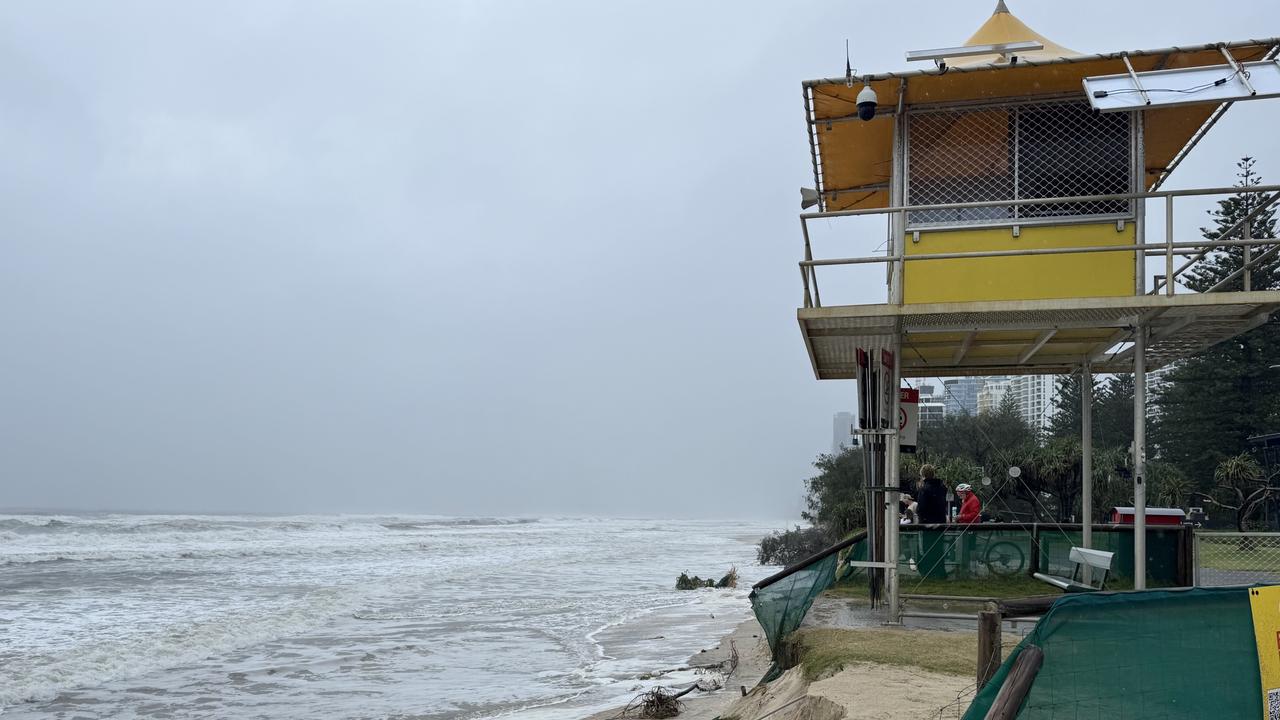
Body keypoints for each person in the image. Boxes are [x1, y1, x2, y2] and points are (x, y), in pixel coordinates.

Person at [915, 465, 949, 579]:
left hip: (927, 523)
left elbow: (921, 508)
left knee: (928, 548)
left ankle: (929, 572)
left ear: (923, 475)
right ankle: (940, 572)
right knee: (939, 548)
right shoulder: (942, 487)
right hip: (940, 521)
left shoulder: (924, 489)